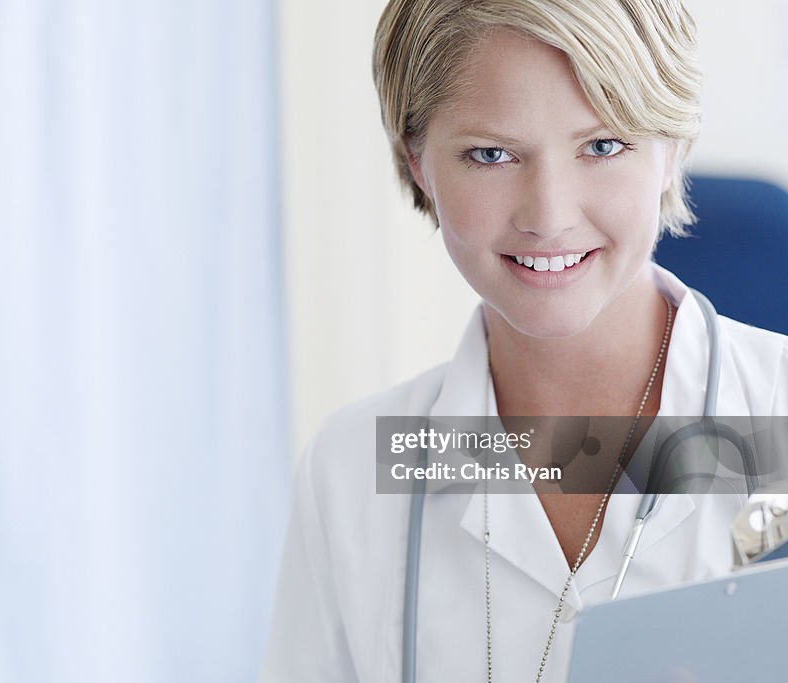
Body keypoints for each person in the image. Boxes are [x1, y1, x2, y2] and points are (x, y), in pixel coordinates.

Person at [260, 1, 788, 682]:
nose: (548, 215)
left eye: (602, 145)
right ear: (416, 160)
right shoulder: (354, 469)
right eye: (491, 154)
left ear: (673, 148)